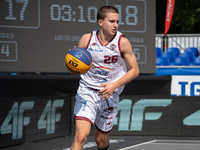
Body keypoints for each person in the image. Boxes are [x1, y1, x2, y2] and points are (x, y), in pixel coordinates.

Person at [70, 6, 139, 150]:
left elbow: (134, 71)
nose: (116, 25)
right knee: (81, 136)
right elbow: (78, 63)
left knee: (101, 141)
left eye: (117, 22)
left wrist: (114, 85)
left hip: (109, 94)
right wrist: (73, 62)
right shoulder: (87, 39)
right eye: (112, 21)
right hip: (87, 91)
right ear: (100, 22)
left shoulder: (122, 42)